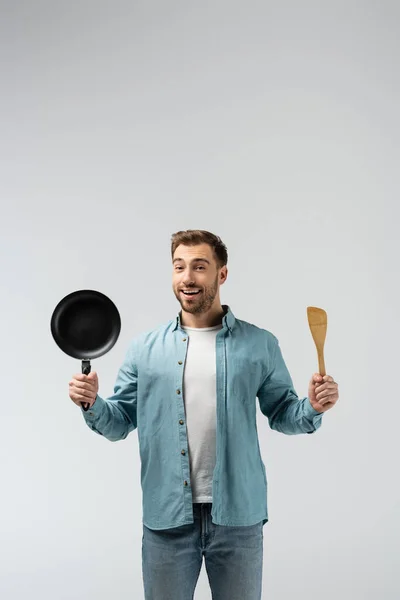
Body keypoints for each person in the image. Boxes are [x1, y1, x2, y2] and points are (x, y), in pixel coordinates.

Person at [69, 229, 339, 600]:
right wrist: (93, 402)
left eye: (199, 266)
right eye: (179, 267)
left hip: (238, 517)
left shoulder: (259, 343)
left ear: (221, 274)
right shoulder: (144, 349)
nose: (188, 277)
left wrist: (312, 406)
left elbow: (283, 413)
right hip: (167, 518)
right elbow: (118, 423)